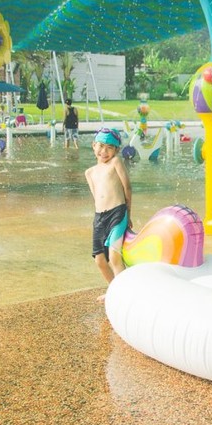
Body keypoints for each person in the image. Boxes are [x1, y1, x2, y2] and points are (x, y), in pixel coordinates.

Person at [85, 127, 132, 299]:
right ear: (93, 146)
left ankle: (125, 294)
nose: (104, 151)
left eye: (110, 148)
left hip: (117, 213)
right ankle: (114, 289)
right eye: (101, 146)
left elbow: (127, 188)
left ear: (116, 150)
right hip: (99, 217)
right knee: (99, 260)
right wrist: (98, 221)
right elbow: (96, 197)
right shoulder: (89, 173)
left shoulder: (116, 163)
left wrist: (128, 214)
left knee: (114, 257)